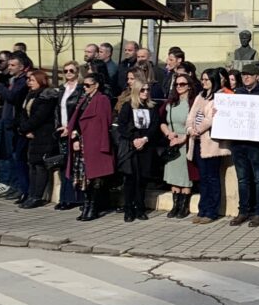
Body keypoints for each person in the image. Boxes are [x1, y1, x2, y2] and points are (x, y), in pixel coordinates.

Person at [224, 62, 259, 227]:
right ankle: (243, 211)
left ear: (256, 76)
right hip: (239, 143)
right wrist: (221, 113)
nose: (245, 77)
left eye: (249, 75)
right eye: (243, 75)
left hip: (257, 144)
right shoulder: (236, 93)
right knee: (243, 179)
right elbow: (229, 115)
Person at [68, 68, 115, 221]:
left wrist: (103, 145)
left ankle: (93, 208)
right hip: (82, 143)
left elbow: (105, 122)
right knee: (83, 177)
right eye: (84, 85)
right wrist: (74, 135)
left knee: (95, 178)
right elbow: (76, 120)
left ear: (97, 85)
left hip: (95, 143)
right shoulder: (84, 99)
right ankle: (86, 205)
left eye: (88, 85)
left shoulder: (102, 99)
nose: (85, 88)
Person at [109, 77, 159, 219]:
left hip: (146, 146)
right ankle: (128, 208)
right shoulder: (128, 106)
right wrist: (134, 139)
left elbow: (154, 125)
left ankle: (140, 208)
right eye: (142, 89)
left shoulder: (152, 107)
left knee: (142, 179)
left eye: (148, 89)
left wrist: (144, 139)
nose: (145, 92)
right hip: (131, 147)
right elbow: (122, 126)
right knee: (130, 179)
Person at [186, 69, 229, 224]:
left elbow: (211, 118)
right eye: (202, 79)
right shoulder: (200, 96)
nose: (203, 82)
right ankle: (202, 209)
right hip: (196, 142)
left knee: (212, 177)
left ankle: (211, 211)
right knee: (203, 178)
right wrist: (191, 129)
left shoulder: (220, 96)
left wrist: (198, 129)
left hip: (210, 144)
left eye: (206, 80)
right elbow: (191, 115)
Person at [17, 68, 62, 210]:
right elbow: (24, 113)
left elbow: (39, 117)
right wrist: (24, 129)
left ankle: (37, 196)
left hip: (44, 135)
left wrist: (26, 128)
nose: (29, 83)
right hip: (31, 134)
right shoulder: (30, 95)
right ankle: (31, 194)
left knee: (40, 165)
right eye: (29, 80)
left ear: (40, 81)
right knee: (32, 164)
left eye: (33, 80)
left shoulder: (46, 97)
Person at [162, 70, 196, 219]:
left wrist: (183, 138)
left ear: (189, 86)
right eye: (177, 84)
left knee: (185, 177)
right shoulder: (170, 103)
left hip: (186, 143)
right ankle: (175, 205)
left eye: (182, 84)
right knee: (174, 177)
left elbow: (196, 124)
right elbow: (161, 121)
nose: (179, 86)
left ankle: (184, 206)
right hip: (172, 143)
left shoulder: (193, 103)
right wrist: (168, 133)